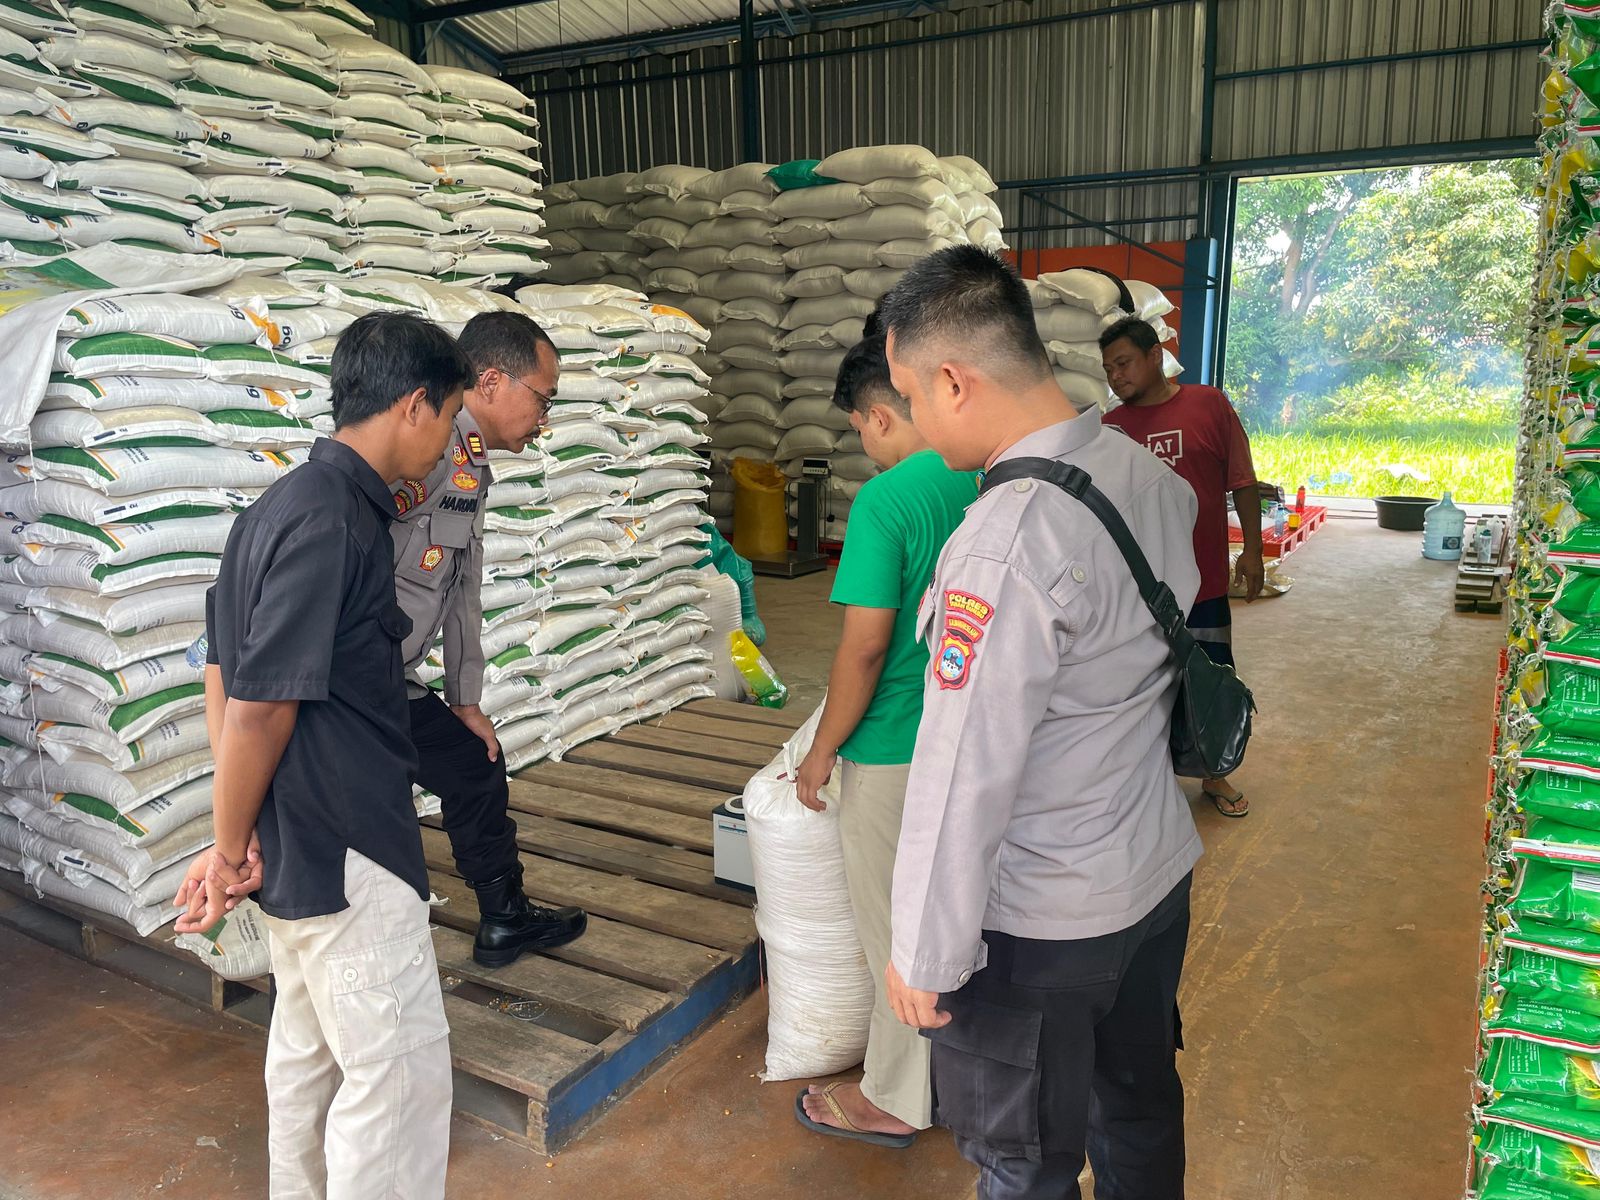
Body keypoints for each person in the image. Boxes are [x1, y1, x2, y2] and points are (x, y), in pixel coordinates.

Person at [878, 246, 1203, 1200]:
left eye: (912, 397)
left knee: (1022, 1162)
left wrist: (926, 951)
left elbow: (960, 768)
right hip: (1152, 880)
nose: (912, 422)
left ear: (954, 378)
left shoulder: (1004, 539)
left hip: (1044, 926)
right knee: (1140, 1108)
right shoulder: (1142, 475)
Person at [173, 312, 475, 1199]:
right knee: (395, 1084)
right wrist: (228, 849)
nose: (453, 442)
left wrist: (246, 833)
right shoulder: (333, 522)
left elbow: (224, 680)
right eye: (452, 416)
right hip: (351, 854)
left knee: (306, 1066)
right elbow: (260, 709)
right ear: (415, 405)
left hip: (301, 854)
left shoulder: (271, 511)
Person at [791, 334, 978, 1148]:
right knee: (964, 920)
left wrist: (823, 748)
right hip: (974, 738)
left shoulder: (886, 502)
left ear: (879, 415)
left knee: (896, 935)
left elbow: (864, 647)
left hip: (896, 747)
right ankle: (965, 1077)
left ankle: (896, 1100)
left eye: (861, 430)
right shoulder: (991, 472)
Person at [389, 311, 586, 966]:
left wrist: (465, 699)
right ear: (493, 379)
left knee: (475, 763)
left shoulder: (466, 459)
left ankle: (504, 919)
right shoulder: (425, 447)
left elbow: (460, 591)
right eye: (544, 398)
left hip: (394, 679)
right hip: (353, 681)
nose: (546, 418)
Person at [1100, 315, 1261, 819]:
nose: (1116, 377)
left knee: (1210, 677)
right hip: (1139, 586)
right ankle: (1146, 782)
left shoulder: (1208, 405)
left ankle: (1214, 773)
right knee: (1143, 683)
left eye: (1123, 364)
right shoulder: (1110, 428)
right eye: (1107, 370)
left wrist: (1252, 551)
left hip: (1203, 578)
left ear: (1155, 356)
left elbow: (1242, 480)